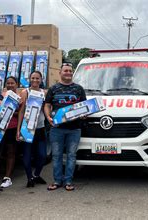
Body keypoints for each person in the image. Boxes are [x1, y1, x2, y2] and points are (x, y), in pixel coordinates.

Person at [44, 63, 86, 191]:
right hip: (57, 128)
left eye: (70, 71)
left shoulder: (79, 89)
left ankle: (68, 181)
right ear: (60, 73)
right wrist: (48, 117)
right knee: (56, 156)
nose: (68, 73)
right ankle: (57, 181)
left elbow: (84, 106)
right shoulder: (53, 89)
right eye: (65, 71)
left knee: (71, 155)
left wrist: (84, 114)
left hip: (74, 129)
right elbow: (47, 104)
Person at [17, 71, 47, 188]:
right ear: (30, 79)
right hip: (27, 128)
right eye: (33, 78)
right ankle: (29, 178)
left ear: (41, 79)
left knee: (42, 155)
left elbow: (46, 108)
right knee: (27, 154)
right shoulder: (25, 92)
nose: (35, 80)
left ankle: (36, 175)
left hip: (40, 127)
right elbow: (21, 111)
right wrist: (18, 129)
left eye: (37, 78)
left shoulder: (44, 92)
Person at [0, 76, 20, 188]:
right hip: (0, 128)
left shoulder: (20, 97)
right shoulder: (1, 96)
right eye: (8, 83)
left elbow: (22, 113)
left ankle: (7, 177)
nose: (10, 85)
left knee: (11, 152)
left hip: (13, 128)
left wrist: (10, 112)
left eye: (12, 83)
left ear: (17, 84)